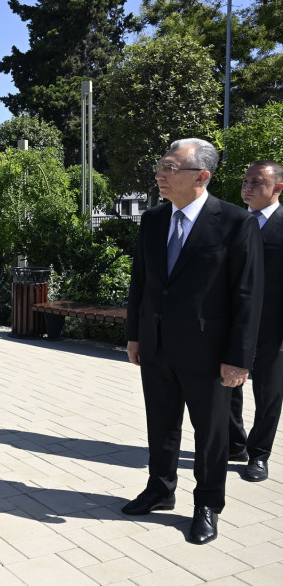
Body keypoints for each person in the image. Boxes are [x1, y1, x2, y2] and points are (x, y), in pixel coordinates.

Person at [124, 138, 263, 544]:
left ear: (201, 176)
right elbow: (142, 283)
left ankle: (207, 504)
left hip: (210, 354)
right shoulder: (152, 219)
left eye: (169, 167)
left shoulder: (236, 222)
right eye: (161, 166)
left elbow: (247, 295)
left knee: (211, 434)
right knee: (161, 424)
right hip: (157, 345)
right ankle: (159, 489)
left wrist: (239, 358)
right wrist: (135, 334)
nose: (159, 175)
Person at [229, 161, 283, 482]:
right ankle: (236, 445)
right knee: (227, 386)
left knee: (269, 392)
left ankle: (259, 455)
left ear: (277, 188)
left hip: (272, 328)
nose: (247, 187)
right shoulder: (235, 222)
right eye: (245, 180)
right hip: (233, 325)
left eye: (256, 182)